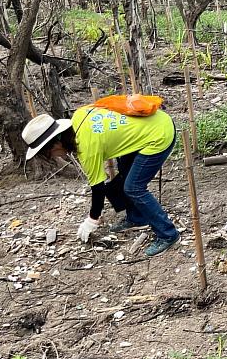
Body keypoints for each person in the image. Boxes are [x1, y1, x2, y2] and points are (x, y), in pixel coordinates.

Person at [21, 106, 180, 257]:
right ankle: (137, 217)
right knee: (125, 170)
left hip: (159, 134)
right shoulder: (79, 116)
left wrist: (91, 220)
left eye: (50, 153)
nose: (56, 157)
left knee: (133, 187)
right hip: (150, 125)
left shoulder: (87, 147)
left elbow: (98, 189)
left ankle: (168, 234)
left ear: (56, 143)